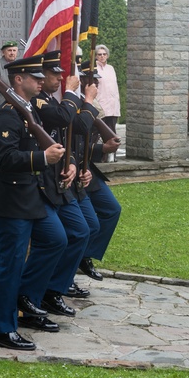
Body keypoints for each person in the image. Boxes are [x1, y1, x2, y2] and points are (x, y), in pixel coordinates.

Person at [0, 55, 67, 351]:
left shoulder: (30, 110)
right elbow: (4, 158)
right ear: (18, 79)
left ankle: (26, 299)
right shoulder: (8, 114)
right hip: (10, 198)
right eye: (35, 77)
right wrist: (43, 159)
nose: (41, 81)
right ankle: (2, 329)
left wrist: (62, 165)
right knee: (9, 264)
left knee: (56, 239)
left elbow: (46, 145)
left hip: (32, 194)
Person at [24, 51, 87, 322]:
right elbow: (62, 119)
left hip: (59, 179)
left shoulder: (52, 100)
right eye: (53, 73)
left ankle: (53, 288)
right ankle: (34, 294)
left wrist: (72, 162)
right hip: (42, 181)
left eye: (60, 74)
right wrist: (73, 94)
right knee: (55, 239)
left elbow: (64, 137)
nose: (59, 78)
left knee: (81, 231)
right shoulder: (38, 101)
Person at [74, 58, 122, 284]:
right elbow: (73, 146)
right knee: (84, 223)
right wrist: (102, 147)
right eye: (93, 81)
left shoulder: (93, 105)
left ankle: (86, 255)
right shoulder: (73, 105)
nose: (97, 85)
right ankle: (76, 261)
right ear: (82, 81)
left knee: (111, 210)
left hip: (88, 168)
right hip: (72, 168)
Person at [95, 44, 121, 134]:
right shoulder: (94, 69)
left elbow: (115, 88)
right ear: (96, 56)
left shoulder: (111, 68)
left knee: (112, 134)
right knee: (99, 133)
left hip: (113, 107)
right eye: (99, 54)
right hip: (101, 106)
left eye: (104, 54)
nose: (102, 56)